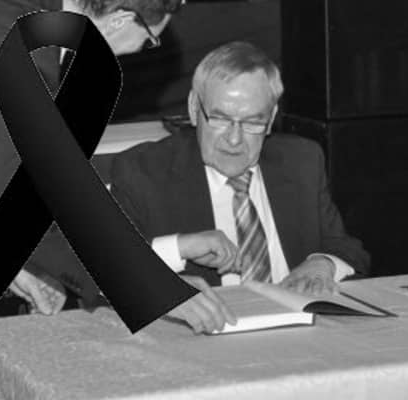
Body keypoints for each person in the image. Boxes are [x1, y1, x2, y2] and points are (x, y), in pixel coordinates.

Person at [0, 0, 213, 398]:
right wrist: (152, 288)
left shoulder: (10, 18)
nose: (138, 53)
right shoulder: (9, 41)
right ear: (122, 19)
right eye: (148, 40)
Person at [109, 41, 371, 334]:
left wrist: (322, 263)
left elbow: (346, 247)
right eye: (220, 119)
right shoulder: (144, 170)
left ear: (271, 119)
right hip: (203, 339)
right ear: (194, 109)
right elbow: (105, 263)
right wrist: (178, 251)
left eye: (252, 122)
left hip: (304, 333)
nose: (234, 139)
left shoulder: (301, 161)